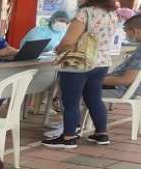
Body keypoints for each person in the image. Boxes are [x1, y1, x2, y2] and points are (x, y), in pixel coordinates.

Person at [43, 0, 118, 148]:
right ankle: (101, 134)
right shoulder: (112, 14)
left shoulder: (85, 13)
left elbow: (68, 42)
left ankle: (69, 137)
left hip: (78, 63)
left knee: (71, 102)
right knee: (94, 99)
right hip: (101, 62)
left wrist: (59, 48)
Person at [103, 14, 141, 98]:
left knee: (76, 90)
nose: (126, 35)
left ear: (135, 31)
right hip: (119, 86)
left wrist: (96, 80)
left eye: (126, 32)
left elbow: (125, 80)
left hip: (121, 90)